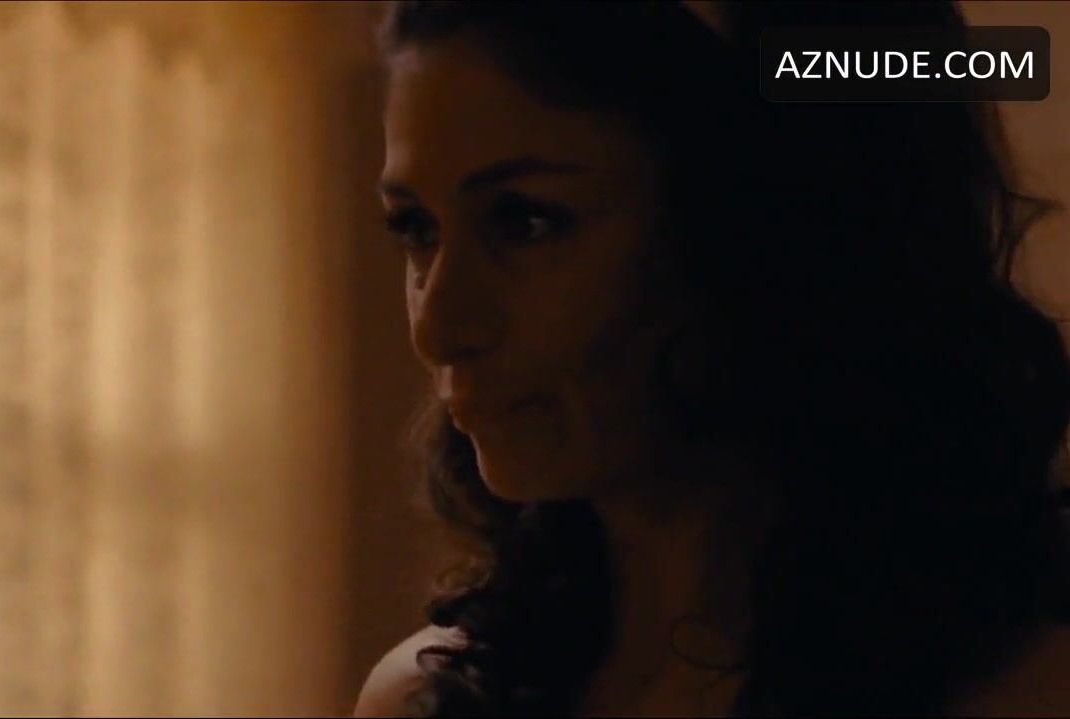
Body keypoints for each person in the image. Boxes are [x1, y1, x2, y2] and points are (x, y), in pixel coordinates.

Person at [356, 1, 1070, 716]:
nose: (439, 328)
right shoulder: (427, 699)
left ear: (776, 224)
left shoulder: (1029, 690)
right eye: (415, 228)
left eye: (526, 220)